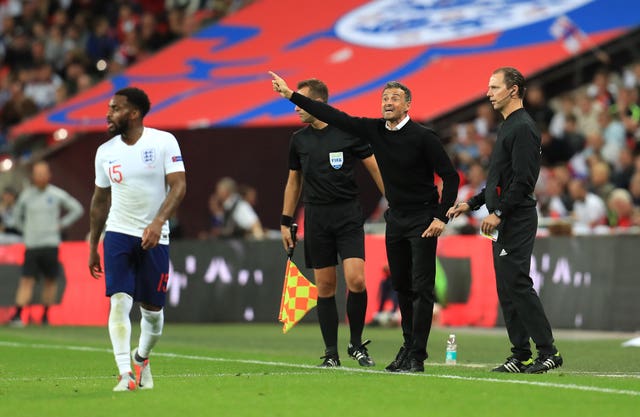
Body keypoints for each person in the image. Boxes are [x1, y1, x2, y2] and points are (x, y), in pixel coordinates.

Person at [270, 71, 460, 373]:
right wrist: (290, 94)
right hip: (388, 219)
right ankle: (403, 347)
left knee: (416, 287)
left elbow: (449, 177)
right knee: (400, 287)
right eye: (384, 98)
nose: (388, 102)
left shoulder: (424, 136)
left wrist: (440, 214)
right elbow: (333, 115)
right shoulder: (372, 130)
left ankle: (414, 355)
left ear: (408, 104)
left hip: (418, 217)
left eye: (395, 98)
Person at [447, 67, 563, 374]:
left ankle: (548, 351)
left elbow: (524, 180)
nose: (488, 93)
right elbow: (500, 181)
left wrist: (499, 213)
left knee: (517, 283)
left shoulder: (522, 127)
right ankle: (520, 353)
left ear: (513, 90)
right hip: (506, 218)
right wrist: (471, 203)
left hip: (517, 217)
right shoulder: (508, 127)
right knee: (507, 286)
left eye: (494, 87)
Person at [280, 78, 384, 367]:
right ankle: (331, 353)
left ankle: (355, 343)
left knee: (357, 280)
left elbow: (376, 169)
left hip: (348, 214)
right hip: (316, 218)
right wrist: (285, 221)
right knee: (325, 287)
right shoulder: (298, 140)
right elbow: (293, 181)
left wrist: (396, 202)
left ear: (319, 103)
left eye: (302, 102)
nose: (297, 109)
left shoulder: (348, 133)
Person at [88, 87, 187, 392]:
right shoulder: (105, 152)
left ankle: (141, 357)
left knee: (153, 314)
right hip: (118, 233)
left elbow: (179, 186)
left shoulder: (163, 142)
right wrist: (93, 244)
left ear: (133, 113)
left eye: (115, 108)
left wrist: (158, 222)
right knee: (119, 302)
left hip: (156, 237)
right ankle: (124, 374)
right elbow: (100, 201)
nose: (108, 114)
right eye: (109, 107)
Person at [8, 161, 84, 327]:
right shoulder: (26, 196)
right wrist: (25, 230)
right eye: (37, 173)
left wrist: (61, 224)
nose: (41, 177)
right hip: (32, 245)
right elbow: (15, 217)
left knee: (50, 280)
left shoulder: (56, 194)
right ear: (33, 176)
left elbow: (77, 209)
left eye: (43, 173)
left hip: (50, 243)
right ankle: (19, 314)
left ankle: (45, 315)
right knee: (26, 279)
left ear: (49, 175)